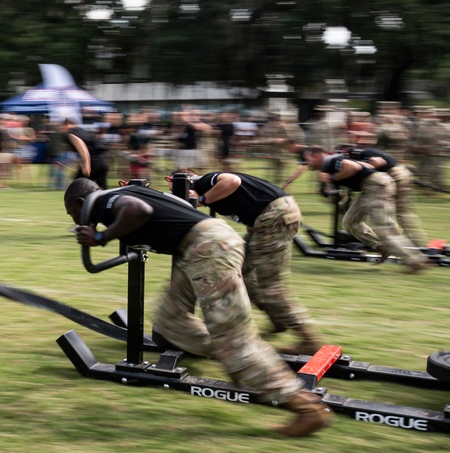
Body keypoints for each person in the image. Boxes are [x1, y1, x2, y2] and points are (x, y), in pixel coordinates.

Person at [63, 178, 334, 436]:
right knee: (170, 321)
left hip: (208, 248)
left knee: (235, 340)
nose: (73, 219)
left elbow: (138, 210)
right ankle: (233, 358)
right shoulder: (125, 194)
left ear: (79, 201)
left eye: (70, 212)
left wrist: (100, 238)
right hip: (196, 247)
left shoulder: (101, 201)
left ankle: (305, 407)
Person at [184, 169, 326, 355]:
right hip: (266, 220)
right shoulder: (207, 185)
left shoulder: (204, 182)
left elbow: (232, 181)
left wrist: (201, 199)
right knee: (240, 273)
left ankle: (309, 340)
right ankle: (278, 320)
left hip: (272, 218)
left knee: (270, 287)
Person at [300, 146, 430, 273]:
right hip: (369, 188)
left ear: (317, 156)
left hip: (377, 186)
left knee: (384, 229)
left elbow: (353, 167)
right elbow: (357, 172)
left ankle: (416, 261)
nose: (306, 163)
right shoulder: (327, 166)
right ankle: (381, 247)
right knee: (350, 221)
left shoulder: (331, 161)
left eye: (307, 159)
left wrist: (331, 178)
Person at [346, 146, 429, 248]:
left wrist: (363, 167)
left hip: (393, 176)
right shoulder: (370, 150)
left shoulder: (362, 155)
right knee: (403, 213)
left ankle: (392, 244)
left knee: (386, 215)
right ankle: (418, 243)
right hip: (403, 173)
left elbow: (377, 162)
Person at [61, 118, 109, 188]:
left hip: (92, 163)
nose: (62, 129)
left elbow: (82, 147)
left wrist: (86, 164)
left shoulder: (70, 134)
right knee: (101, 188)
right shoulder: (83, 131)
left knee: (77, 187)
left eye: (62, 126)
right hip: (102, 162)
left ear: (66, 125)